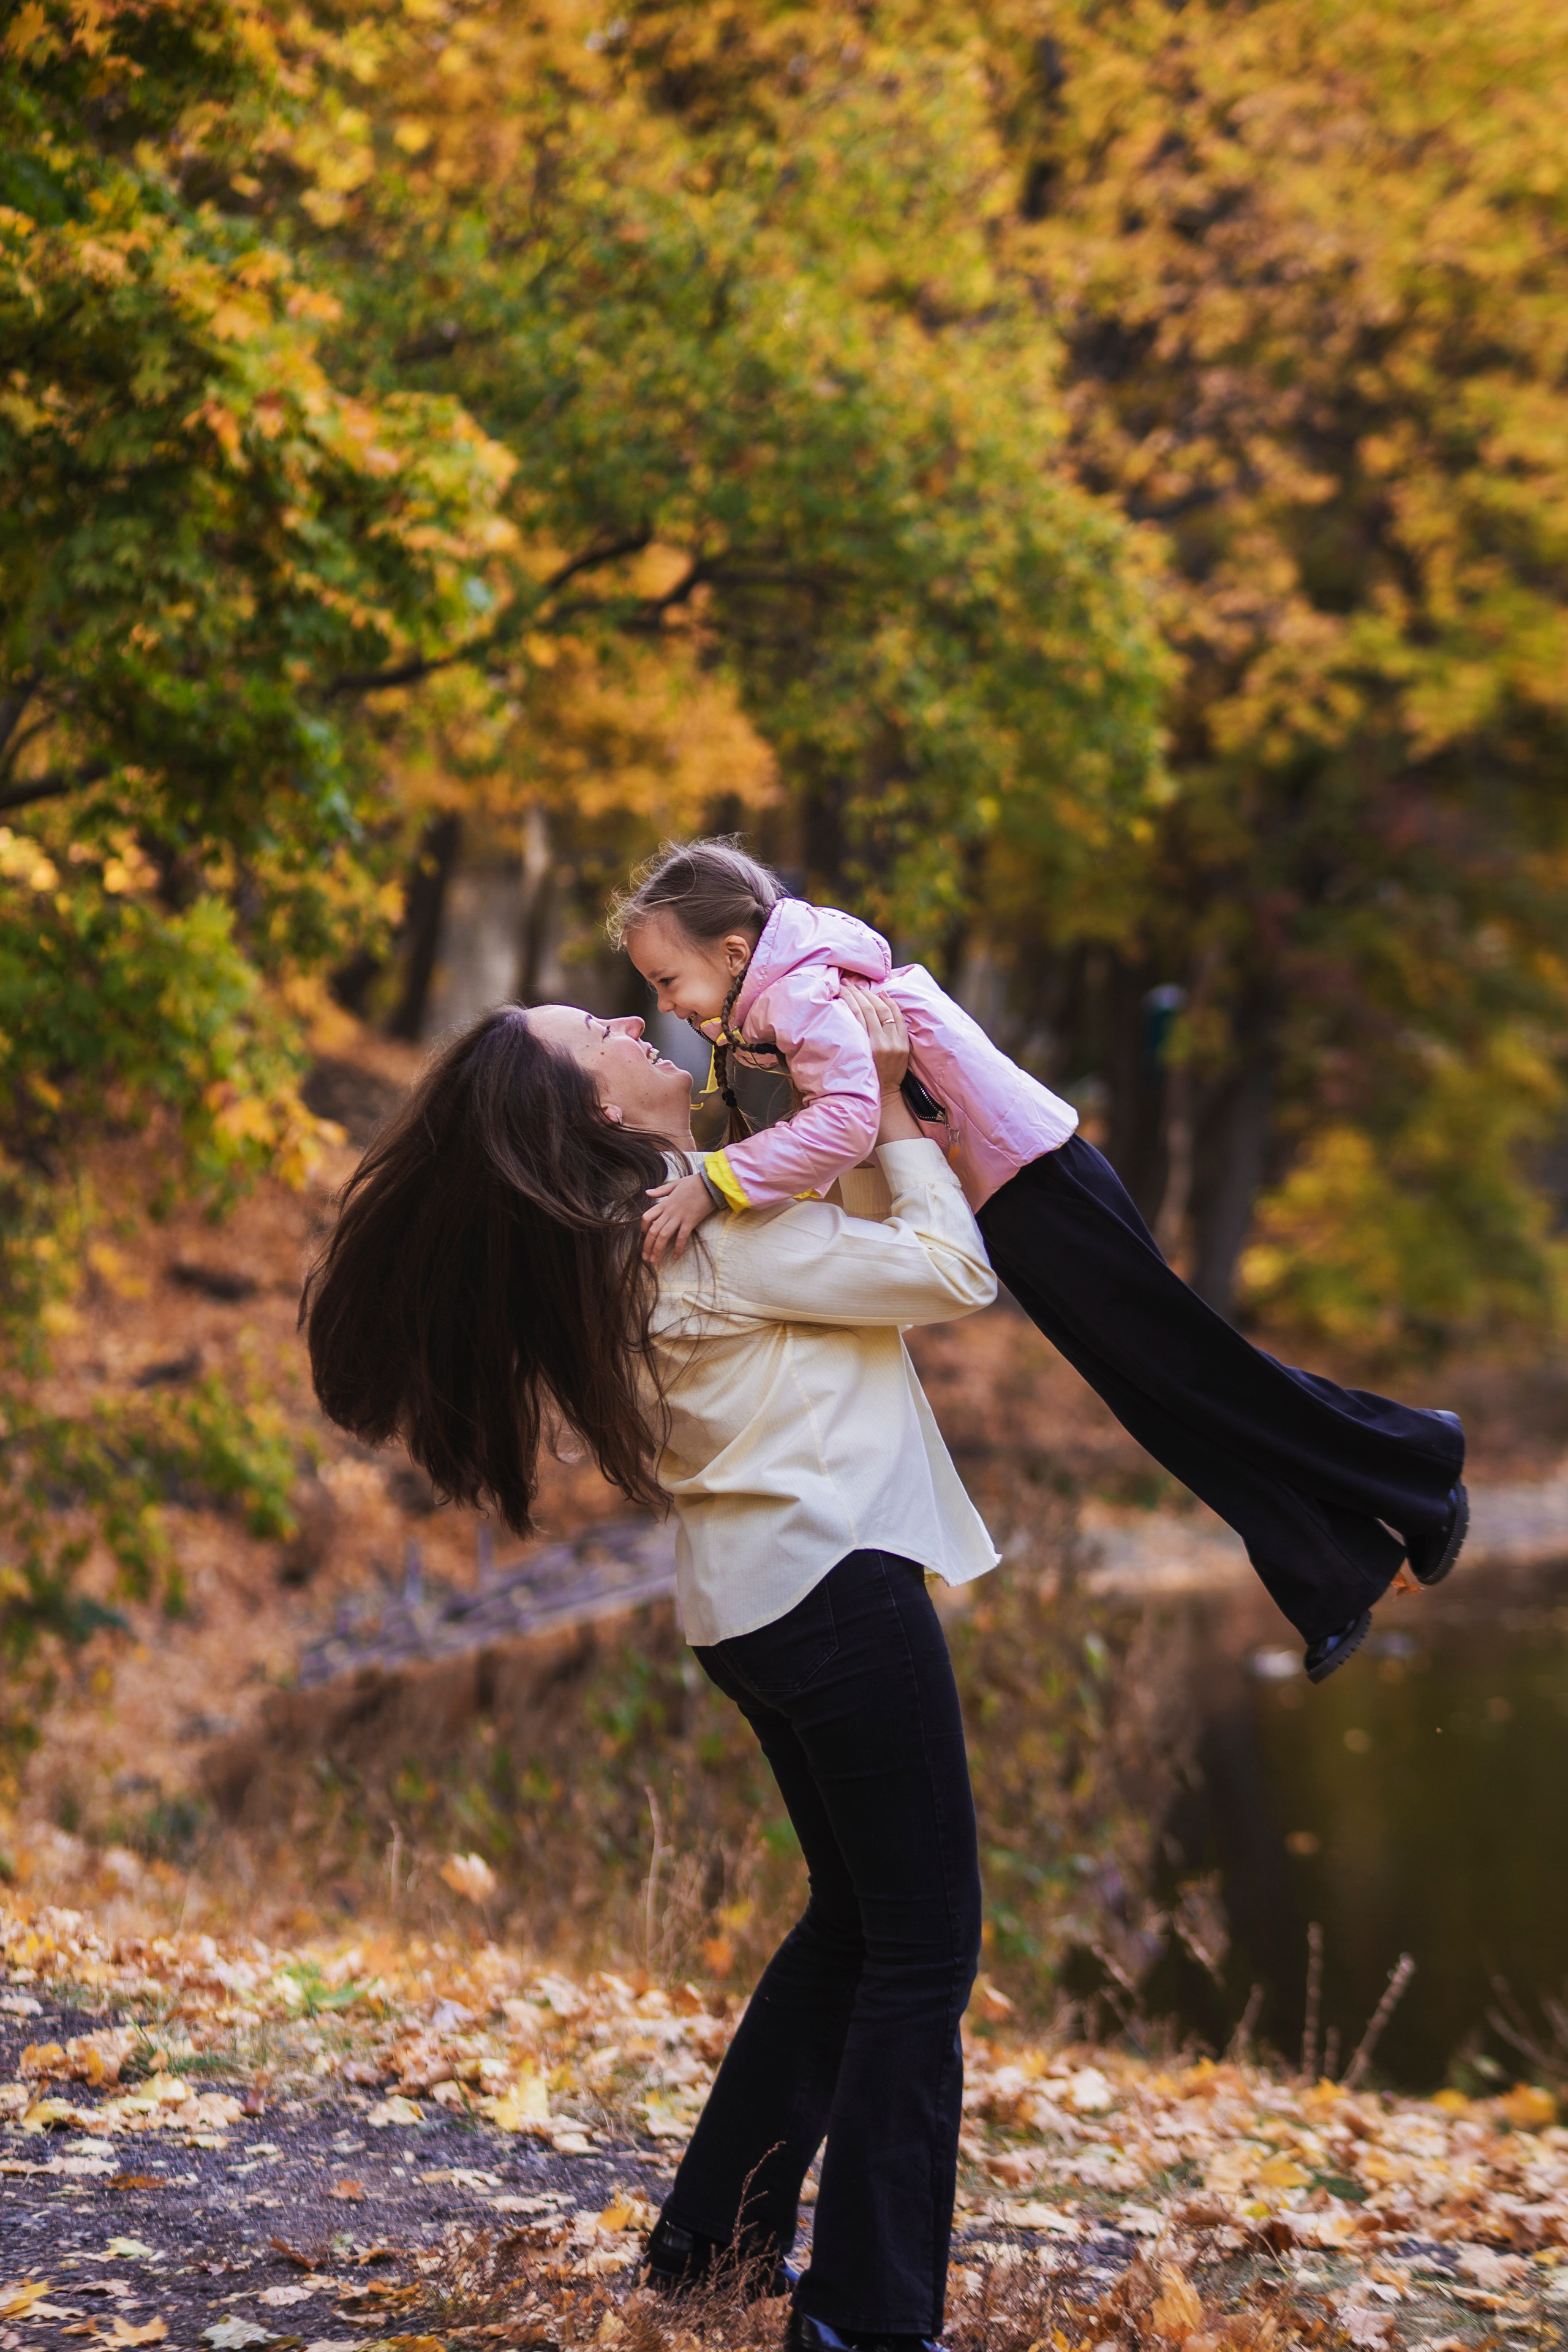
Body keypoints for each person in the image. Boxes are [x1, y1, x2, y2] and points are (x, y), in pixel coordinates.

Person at [300, 987, 1001, 2352]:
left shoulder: (661, 1230)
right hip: (833, 1587)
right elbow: (949, 1271)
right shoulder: (709, 1233)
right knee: (923, 1948)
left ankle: (707, 2254)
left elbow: (857, 1247)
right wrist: (901, 1113)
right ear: (602, 1114)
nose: (632, 1020)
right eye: (598, 1037)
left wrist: (845, 1108)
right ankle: (864, 2321)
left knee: (855, 1928)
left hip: (758, 1607)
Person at [612, 838, 1469, 1686]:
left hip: (1038, 1181)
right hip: (1016, 1192)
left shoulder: (800, 995)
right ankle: (1337, 1573)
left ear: (732, 952)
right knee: (1158, 1395)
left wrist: (718, 1182)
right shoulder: (788, 997)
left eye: (667, 981)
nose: (668, 1003)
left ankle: (1418, 1463)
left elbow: (843, 1122)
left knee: (1193, 1372)